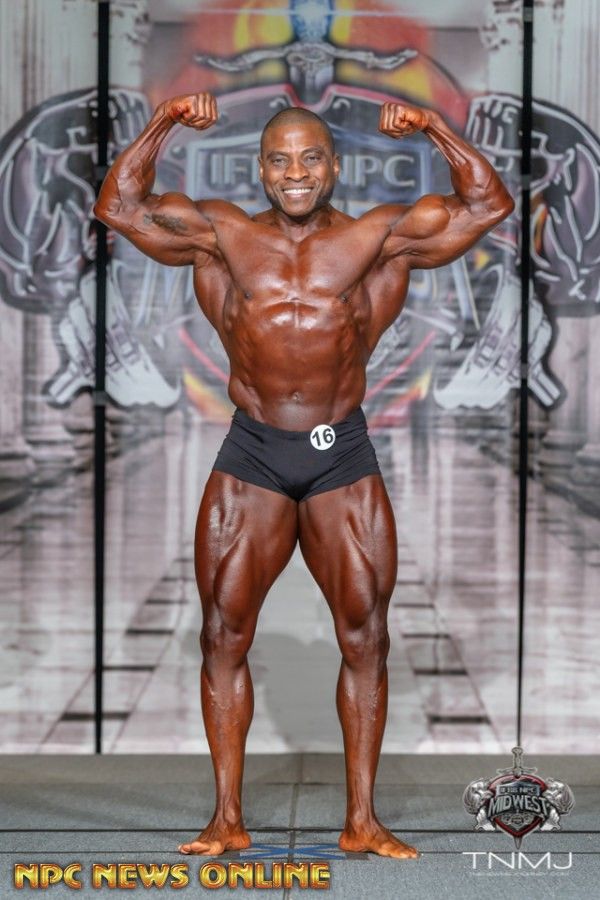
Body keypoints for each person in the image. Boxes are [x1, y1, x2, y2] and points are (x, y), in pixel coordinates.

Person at [94, 92, 513, 859]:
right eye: (280, 160)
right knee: (222, 633)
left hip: (339, 456)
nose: (295, 172)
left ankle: (362, 821)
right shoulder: (223, 235)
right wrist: (165, 122)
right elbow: (118, 207)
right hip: (252, 455)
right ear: (260, 169)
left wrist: (433, 128)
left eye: (310, 158)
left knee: (366, 634)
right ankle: (226, 818)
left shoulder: (375, 239)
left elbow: (487, 205)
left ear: (333, 166)